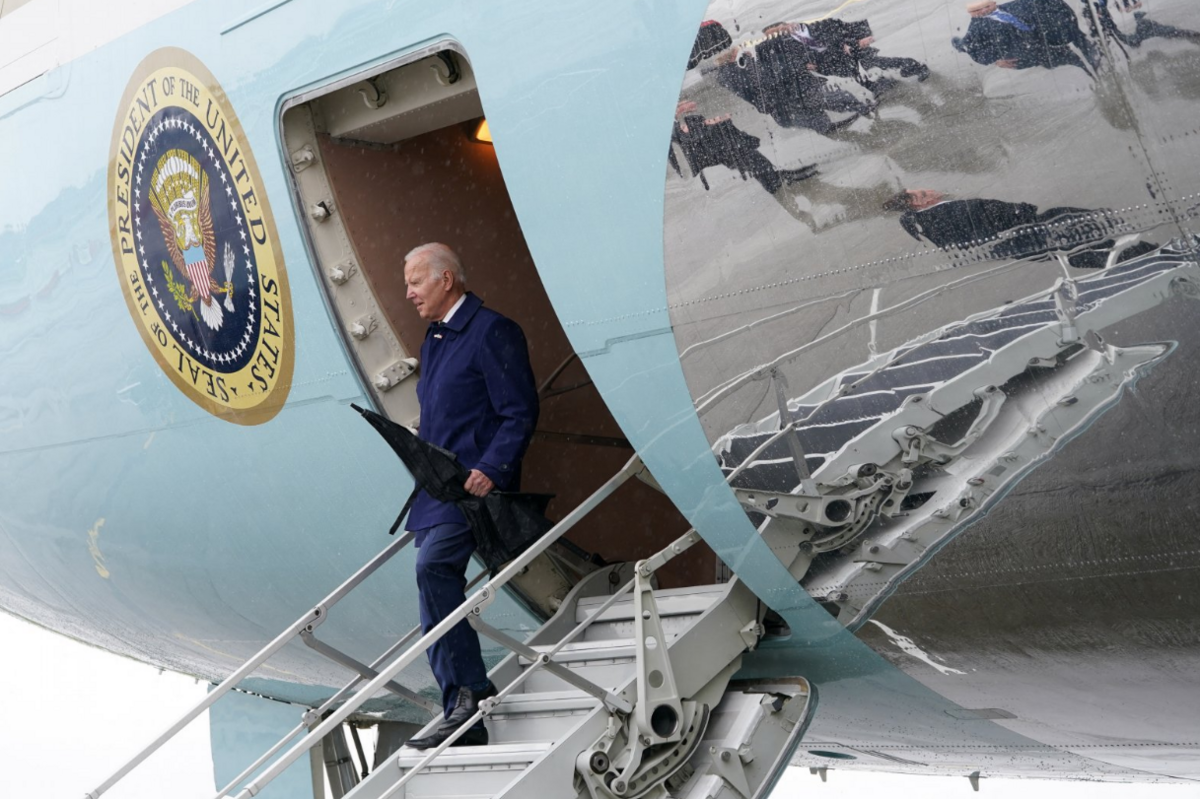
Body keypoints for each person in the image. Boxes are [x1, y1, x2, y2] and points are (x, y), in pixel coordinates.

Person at [400, 242, 539, 750]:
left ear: (446, 280)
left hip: (473, 489)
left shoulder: (491, 331)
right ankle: (460, 703)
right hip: (438, 489)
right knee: (430, 591)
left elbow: (519, 411)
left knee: (433, 570)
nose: (409, 293)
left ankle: (469, 694)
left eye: (416, 282)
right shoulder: (435, 339)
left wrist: (492, 467)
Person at [883, 189, 1157, 267]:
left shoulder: (928, 225)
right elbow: (994, 213)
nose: (930, 188)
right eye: (922, 190)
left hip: (1015, 245)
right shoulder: (949, 210)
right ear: (921, 202)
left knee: (1075, 253)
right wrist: (1021, 212)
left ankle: (1140, 257)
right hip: (1026, 233)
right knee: (1078, 234)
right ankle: (1149, 254)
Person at [952, 0, 1100, 74]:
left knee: (1080, 53)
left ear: (993, 4)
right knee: (1073, 59)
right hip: (1029, 53)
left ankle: (1096, 65)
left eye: (987, 6)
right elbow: (969, 47)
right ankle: (1094, 74)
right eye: (977, 10)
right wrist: (995, 60)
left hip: (1044, 37)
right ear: (972, 14)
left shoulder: (1012, 7)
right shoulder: (977, 28)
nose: (983, 11)